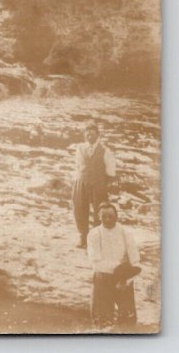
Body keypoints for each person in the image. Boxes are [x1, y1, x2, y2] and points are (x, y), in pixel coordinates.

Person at [87, 202, 140, 330]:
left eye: (110, 216)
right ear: (99, 217)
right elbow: (96, 263)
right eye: (103, 216)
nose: (107, 219)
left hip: (124, 278)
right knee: (102, 321)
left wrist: (126, 278)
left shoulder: (126, 233)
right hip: (103, 279)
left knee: (128, 320)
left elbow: (135, 261)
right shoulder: (94, 234)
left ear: (116, 216)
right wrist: (119, 268)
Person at [72, 121, 116, 248]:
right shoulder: (80, 148)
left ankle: (97, 240)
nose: (89, 136)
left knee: (99, 211)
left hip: (98, 184)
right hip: (82, 182)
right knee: (79, 209)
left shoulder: (105, 151)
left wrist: (108, 186)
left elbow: (111, 172)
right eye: (87, 134)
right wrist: (78, 180)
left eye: (92, 134)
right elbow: (78, 165)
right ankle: (83, 237)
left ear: (98, 135)